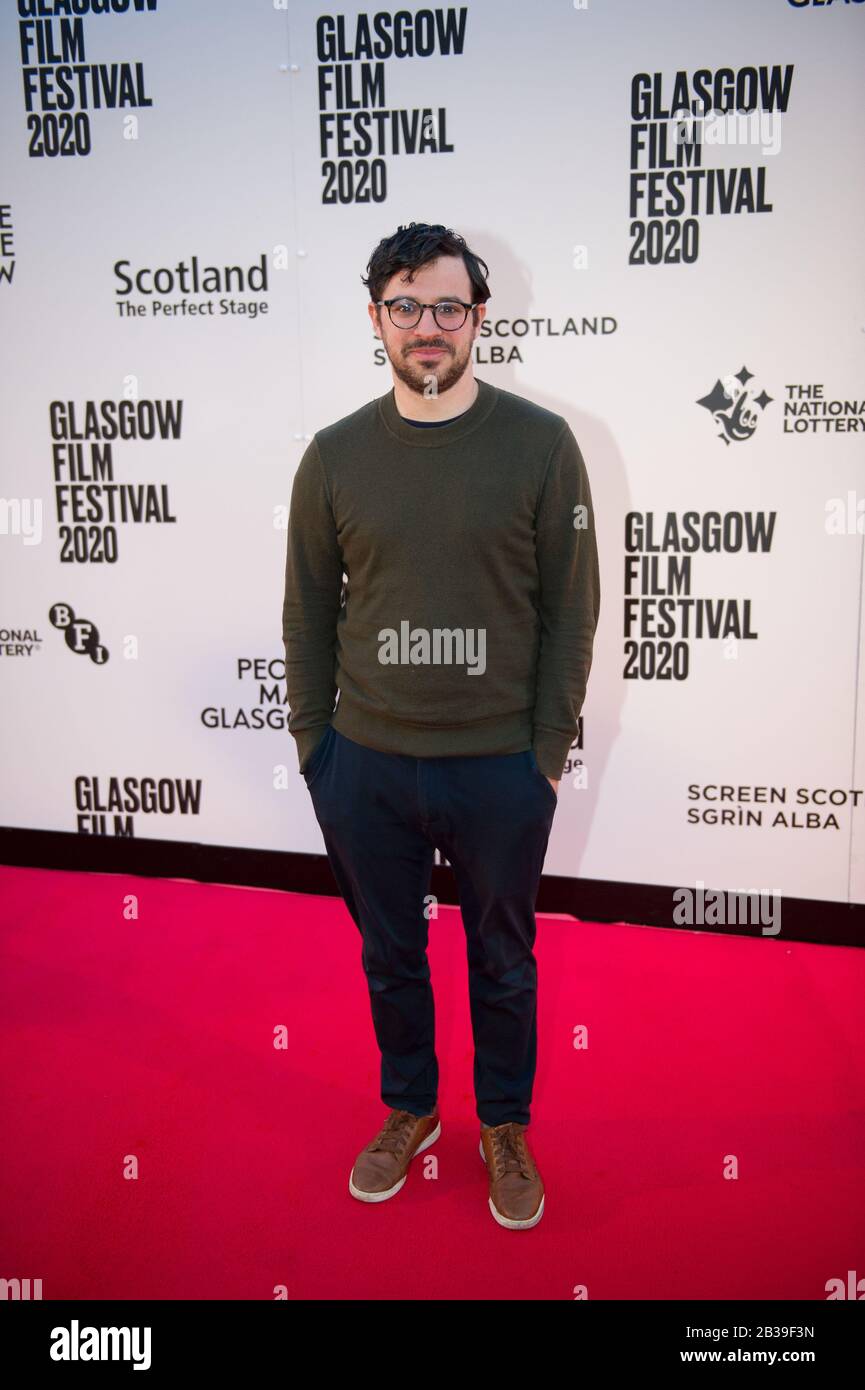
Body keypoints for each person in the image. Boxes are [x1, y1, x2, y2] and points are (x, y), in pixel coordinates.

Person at [282, 222, 600, 1230]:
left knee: (501, 956)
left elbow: (571, 609)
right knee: (390, 953)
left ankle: (503, 1123)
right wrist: (315, 747)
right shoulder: (331, 456)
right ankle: (411, 1106)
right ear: (375, 317)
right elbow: (305, 608)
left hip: (501, 763)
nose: (428, 326)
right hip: (364, 762)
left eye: (448, 306)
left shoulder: (542, 446)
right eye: (406, 304)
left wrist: (544, 753)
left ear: (479, 319)